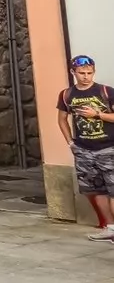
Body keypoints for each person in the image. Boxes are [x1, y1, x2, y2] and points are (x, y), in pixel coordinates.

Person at [58, 55, 114, 239]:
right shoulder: (67, 94)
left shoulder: (106, 91)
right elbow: (62, 119)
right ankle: (110, 228)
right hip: (83, 150)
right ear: (73, 72)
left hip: (108, 148)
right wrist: (70, 142)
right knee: (96, 189)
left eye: (89, 73)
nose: (86, 76)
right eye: (81, 73)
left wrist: (97, 115)